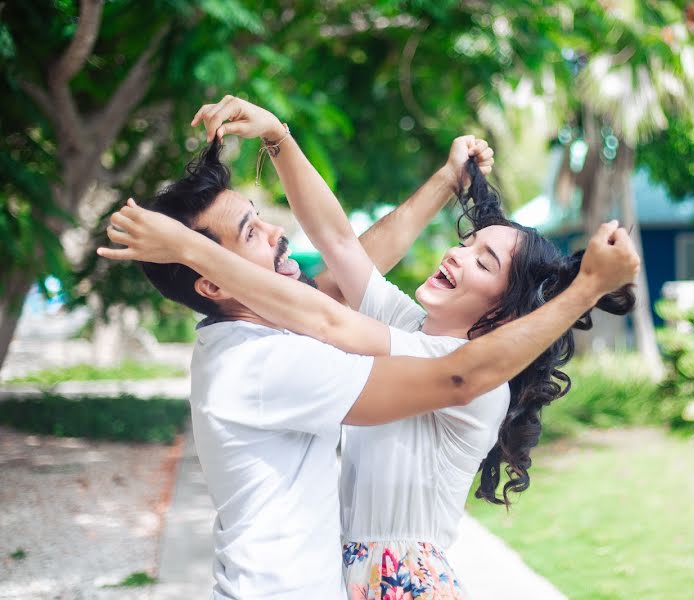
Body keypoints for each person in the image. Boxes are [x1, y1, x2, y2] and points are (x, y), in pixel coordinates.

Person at [101, 96, 639, 598]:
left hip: (400, 579)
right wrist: (278, 139)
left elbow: (426, 359)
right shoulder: (409, 333)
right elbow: (339, 244)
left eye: (485, 263)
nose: (458, 256)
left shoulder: (472, 376)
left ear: (503, 310)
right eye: (468, 243)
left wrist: (587, 288)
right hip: (352, 572)